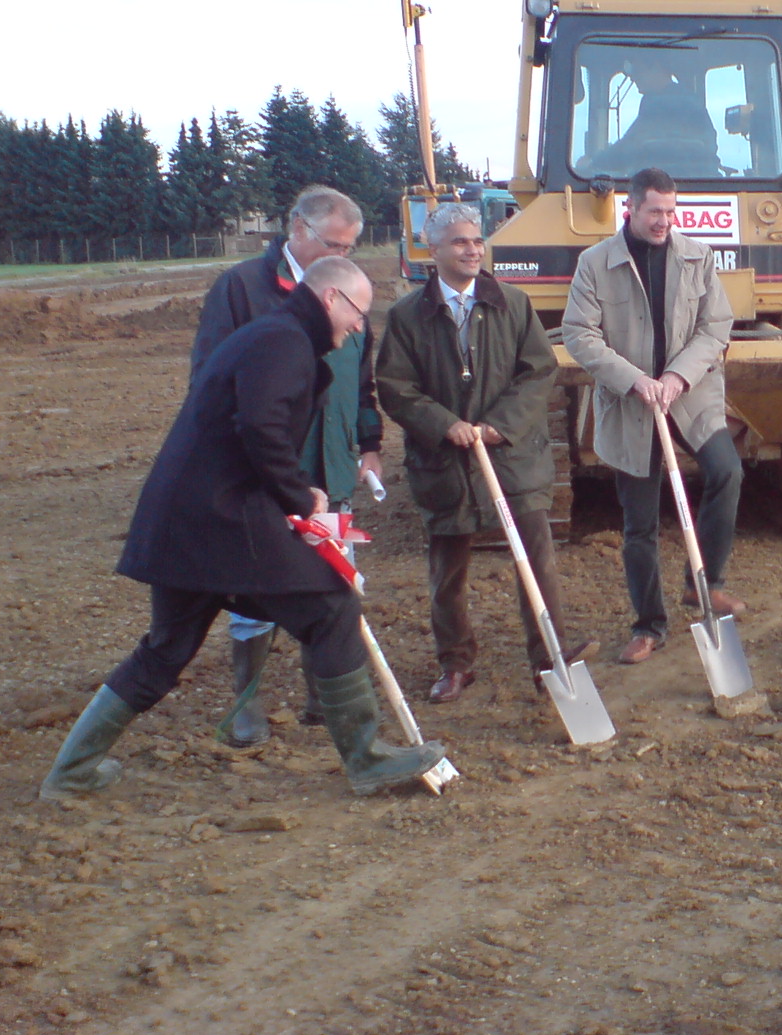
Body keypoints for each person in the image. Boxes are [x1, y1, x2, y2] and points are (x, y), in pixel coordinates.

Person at [40, 257, 445, 802]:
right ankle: (367, 761)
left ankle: (70, 773)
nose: (359, 329)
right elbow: (260, 427)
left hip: (185, 521)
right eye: (357, 314)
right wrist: (300, 495)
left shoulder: (273, 334)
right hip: (222, 520)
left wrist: (293, 493)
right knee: (331, 608)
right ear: (330, 299)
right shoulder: (282, 341)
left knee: (166, 648)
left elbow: (253, 427)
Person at [376, 203, 594, 703]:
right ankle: (455, 663)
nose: (472, 249)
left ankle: (549, 657)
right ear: (432, 251)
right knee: (447, 570)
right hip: (445, 464)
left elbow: (539, 371)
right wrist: (443, 424)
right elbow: (394, 386)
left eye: (477, 240)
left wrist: (500, 425)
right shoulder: (409, 316)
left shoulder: (513, 305)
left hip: (512, 458)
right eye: (459, 242)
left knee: (536, 561)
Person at [191, 185, 383, 745]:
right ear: (296, 228)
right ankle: (246, 704)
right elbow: (211, 382)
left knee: (334, 578)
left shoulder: (350, 295)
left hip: (331, 460)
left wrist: (367, 443)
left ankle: (325, 697)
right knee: (258, 587)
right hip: (270, 469)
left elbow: (360, 382)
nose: (341, 257)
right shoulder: (243, 289)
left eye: (349, 248)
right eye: (333, 245)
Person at [562, 166, 744, 664]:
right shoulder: (596, 263)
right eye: (655, 212)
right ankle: (648, 625)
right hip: (630, 404)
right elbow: (579, 333)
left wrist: (677, 376)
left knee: (727, 471)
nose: (665, 221)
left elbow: (716, 326)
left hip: (690, 393)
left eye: (671, 210)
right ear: (631, 209)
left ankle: (703, 582)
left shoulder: (697, 257)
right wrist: (634, 379)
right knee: (639, 523)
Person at [579, 56, 720, 178]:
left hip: (657, 187)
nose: (633, 77)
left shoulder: (661, 104)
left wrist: (592, 164)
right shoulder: (692, 101)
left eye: (637, 70)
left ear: (656, 67)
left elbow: (628, 148)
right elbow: (711, 145)